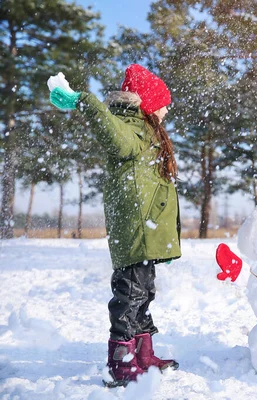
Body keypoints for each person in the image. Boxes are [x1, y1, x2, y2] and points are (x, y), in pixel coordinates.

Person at [48, 64, 181, 386]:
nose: (166, 110)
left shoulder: (146, 131)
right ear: (146, 104)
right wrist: (85, 101)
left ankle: (143, 352)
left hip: (147, 229)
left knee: (144, 293)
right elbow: (111, 132)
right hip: (136, 227)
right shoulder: (129, 129)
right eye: (162, 103)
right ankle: (121, 361)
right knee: (129, 295)